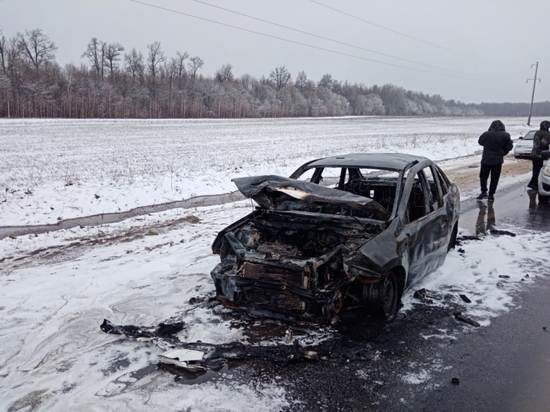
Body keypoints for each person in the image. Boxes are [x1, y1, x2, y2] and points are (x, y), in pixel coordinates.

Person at [476, 120, 513, 202]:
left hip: (486, 159)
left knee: (483, 176)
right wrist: (503, 152)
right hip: (497, 160)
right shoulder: (506, 135)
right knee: (495, 177)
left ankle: (483, 191)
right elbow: (509, 147)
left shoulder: (486, 134)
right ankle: (491, 194)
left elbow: (480, 142)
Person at [527, 120, 550, 190]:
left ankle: (534, 183)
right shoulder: (546, 134)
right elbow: (544, 143)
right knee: (539, 170)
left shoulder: (537, 132)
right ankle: (534, 183)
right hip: (540, 153)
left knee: (535, 169)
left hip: (534, 153)